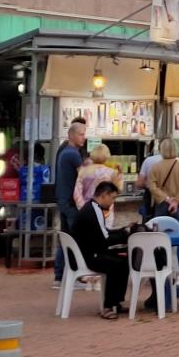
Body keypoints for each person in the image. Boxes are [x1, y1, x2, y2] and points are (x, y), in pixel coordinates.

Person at [70, 181, 133, 319]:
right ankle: (107, 306)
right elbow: (104, 239)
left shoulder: (92, 208)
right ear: (105, 195)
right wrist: (124, 235)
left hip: (88, 251)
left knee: (124, 260)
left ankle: (116, 302)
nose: (112, 202)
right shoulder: (94, 210)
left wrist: (122, 232)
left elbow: (104, 233)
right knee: (116, 264)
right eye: (113, 198)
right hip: (88, 256)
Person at [52, 120, 87, 287]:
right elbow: (84, 176)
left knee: (66, 238)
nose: (84, 137)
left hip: (63, 200)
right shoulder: (73, 154)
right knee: (76, 239)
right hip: (71, 203)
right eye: (81, 134)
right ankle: (76, 275)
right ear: (72, 135)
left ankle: (59, 277)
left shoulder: (64, 151)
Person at [147, 137, 179, 232]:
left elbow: (152, 186)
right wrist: (176, 201)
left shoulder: (155, 167)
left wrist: (166, 198)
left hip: (161, 204)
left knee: (160, 235)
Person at [74, 144, 124, 210]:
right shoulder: (111, 172)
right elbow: (119, 189)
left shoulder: (83, 171)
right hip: (105, 210)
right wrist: (120, 173)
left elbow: (76, 193)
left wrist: (83, 208)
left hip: (87, 208)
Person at [137, 141, 163, 220]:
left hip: (151, 196)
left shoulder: (149, 160)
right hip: (172, 198)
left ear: (159, 148)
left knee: (149, 222)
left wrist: (150, 185)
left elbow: (140, 183)